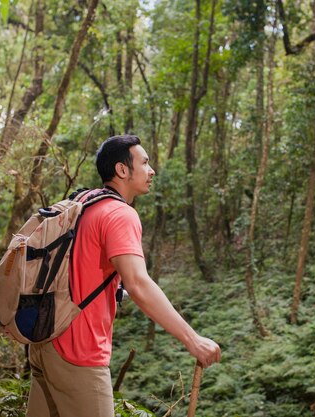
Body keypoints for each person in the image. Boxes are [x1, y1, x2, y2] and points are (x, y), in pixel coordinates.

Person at [26, 135, 221, 417]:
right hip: (79, 352)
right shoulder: (120, 214)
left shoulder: (83, 202)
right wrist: (193, 339)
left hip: (44, 341)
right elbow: (139, 283)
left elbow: (82, 266)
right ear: (122, 170)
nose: (151, 170)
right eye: (145, 162)